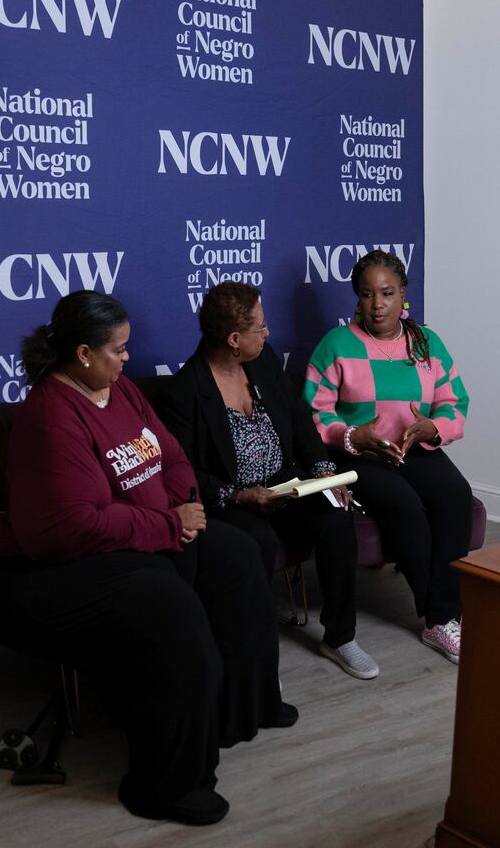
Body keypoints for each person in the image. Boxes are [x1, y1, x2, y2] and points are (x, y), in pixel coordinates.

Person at [0, 291, 295, 827]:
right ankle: (165, 784)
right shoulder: (51, 416)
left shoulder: (119, 388)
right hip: (57, 561)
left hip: (144, 531)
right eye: (119, 349)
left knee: (240, 556)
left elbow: (171, 456)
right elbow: (69, 527)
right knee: (169, 611)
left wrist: (184, 504)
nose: (128, 358)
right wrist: (166, 526)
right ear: (83, 353)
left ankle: (239, 712)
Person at [157, 282, 376, 680]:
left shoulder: (263, 362)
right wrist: (241, 496)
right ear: (234, 339)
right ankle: (251, 653)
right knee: (255, 541)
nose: (268, 333)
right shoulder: (186, 392)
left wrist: (325, 474)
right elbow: (184, 470)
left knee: (337, 516)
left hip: (286, 481)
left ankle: (340, 637)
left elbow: (298, 419)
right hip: (235, 498)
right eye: (260, 328)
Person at [304, 250, 472, 663]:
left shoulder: (426, 342)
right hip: (359, 453)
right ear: (356, 299)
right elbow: (314, 412)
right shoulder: (337, 345)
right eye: (366, 294)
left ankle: (444, 615)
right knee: (404, 504)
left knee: (455, 494)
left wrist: (432, 428)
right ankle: (438, 616)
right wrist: (351, 435)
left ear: (403, 295)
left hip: (414, 446)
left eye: (387, 293)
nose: (377, 304)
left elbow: (454, 401)